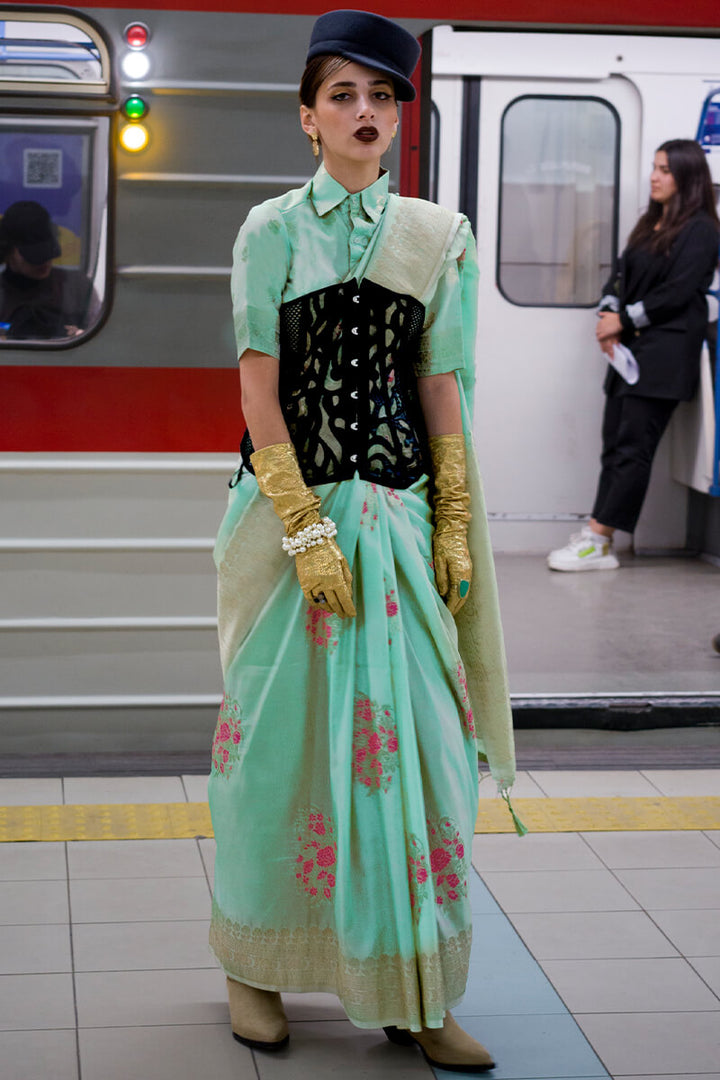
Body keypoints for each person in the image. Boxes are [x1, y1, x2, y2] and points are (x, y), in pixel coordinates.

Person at [208, 10, 517, 1072]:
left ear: (402, 115)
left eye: (383, 97)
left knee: (425, 759)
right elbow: (258, 389)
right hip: (292, 520)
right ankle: (254, 966)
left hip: (398, 521)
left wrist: (457, 521)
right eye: (343, 95)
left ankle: (415, 990)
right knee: (278, 757)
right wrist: (301, 528)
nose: (365, 113)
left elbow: (440, 384)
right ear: (307, 117)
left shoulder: (440, 234)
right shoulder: (270, 231)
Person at [548, 139, 720, 572]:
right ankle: (599, 540)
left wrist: (622, 321)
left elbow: (680, 292)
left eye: (664, 169)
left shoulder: (701, 229)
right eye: (654, 167)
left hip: (664, 356)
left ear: (687, 177)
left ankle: (598, 537)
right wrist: (609, 309)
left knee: (632, 449)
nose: (654, 176)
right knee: (614, 445)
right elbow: (620, 276)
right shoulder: (651, 224)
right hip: (630, 355)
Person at [0, 200, 97, 339]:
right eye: (34, 255)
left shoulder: (77, 288)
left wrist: (79, 334)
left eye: (48, 252)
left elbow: (100, 335)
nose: (44, 262)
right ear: (9, 251)